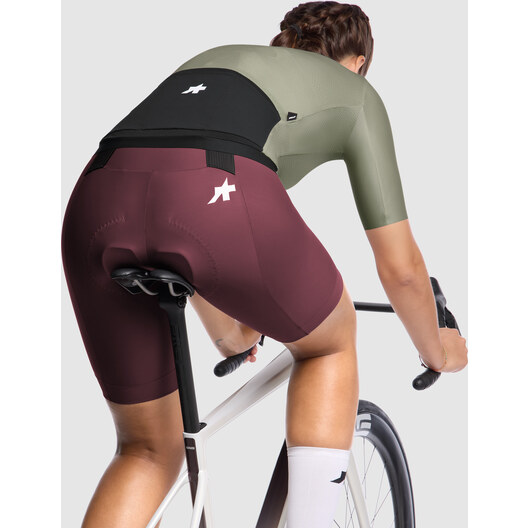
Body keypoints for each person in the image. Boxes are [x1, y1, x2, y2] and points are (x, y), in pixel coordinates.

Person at [61, 2, 468, 527]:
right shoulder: (356, 93)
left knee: (146, 450)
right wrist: (438, 349)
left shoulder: (216, 58)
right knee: (330, 340)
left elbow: (180, 218)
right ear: (359, 62)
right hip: (215, 196)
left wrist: (233, 336)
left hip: (95, 198)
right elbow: (403, 269)